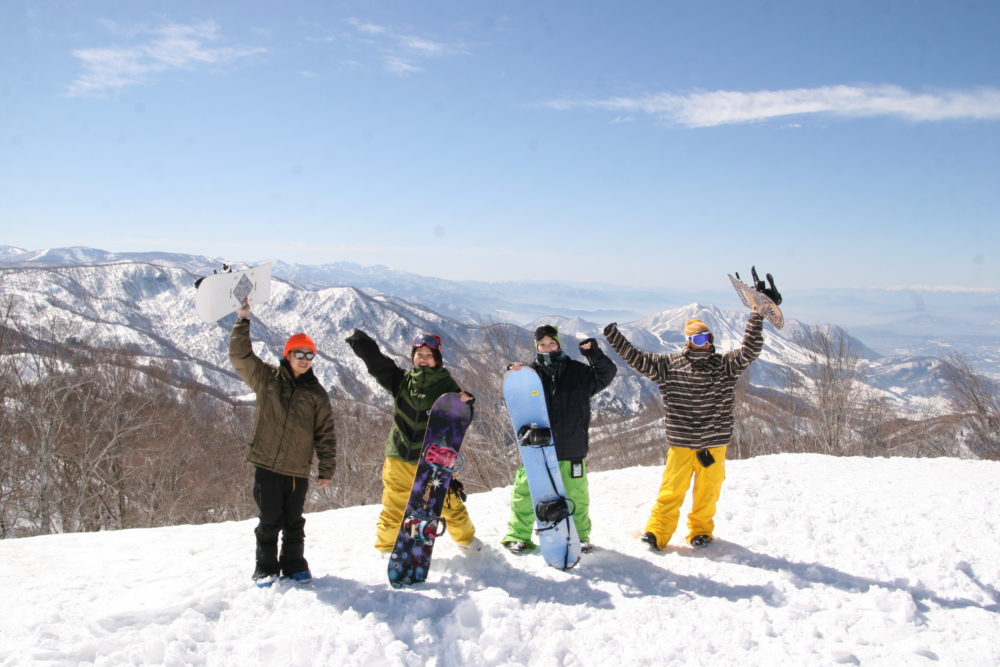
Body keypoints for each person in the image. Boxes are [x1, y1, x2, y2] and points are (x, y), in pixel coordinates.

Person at [603, 309, 764, 550]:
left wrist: (757, 315)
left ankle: (700, 531)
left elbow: (750, 350)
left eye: (708, 338)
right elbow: (636, 358)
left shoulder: (725, 365)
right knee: (671, 490)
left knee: (708, 493)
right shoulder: (669, 365)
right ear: (688, 341)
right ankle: (657, 532)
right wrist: (613, 335)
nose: (705, 343)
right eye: (699, 339)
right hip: (681, 442)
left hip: (714, 443)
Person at [345, 329, 483, 554]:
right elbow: (378, 364)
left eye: (429, 354)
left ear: (437, 359)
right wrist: (361, 342)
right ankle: (387, 548)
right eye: (419, 354)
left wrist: (467, 404)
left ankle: (466, 540)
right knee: (394, 506)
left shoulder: (447, 386)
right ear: (412, 357)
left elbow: (460, 422)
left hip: (432, 461)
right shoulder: (401, 381)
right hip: (399, 457)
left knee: (447, 502)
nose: (423, 358)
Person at [229, 300, 337, 586]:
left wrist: (326, 468)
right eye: (298, 353)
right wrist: (242, 320)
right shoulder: (268, 379)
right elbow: (240, 357)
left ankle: (294, 565)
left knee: (294, 522)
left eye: (309, 355)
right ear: (288, 354)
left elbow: (325, 433)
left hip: (296, 470)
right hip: (266, 464)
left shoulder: (317, 395)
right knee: (268, 521)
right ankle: (265, 567)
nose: (304, 358)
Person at [502, 324, 617, 554]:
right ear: (536, 347)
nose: (547, 347)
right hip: (537, 446)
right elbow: (516, 397)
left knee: (576, 495)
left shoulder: (579, 372)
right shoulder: (530, 375)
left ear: (558, 344)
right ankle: (518, 535)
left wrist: (593, 353)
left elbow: (606, 374)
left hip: (572, 445)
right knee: (525, 493)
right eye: (542, 344)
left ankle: (580, 537)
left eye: (551, 343)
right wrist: (513, 373)